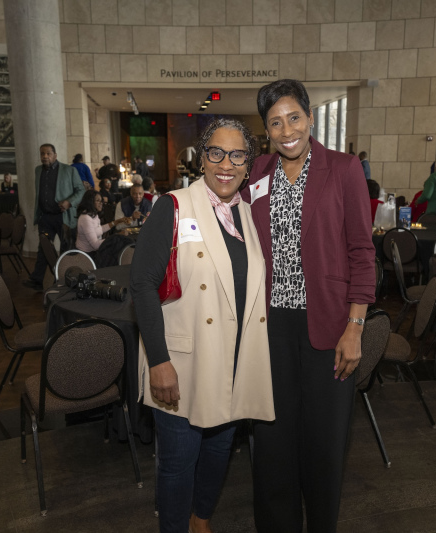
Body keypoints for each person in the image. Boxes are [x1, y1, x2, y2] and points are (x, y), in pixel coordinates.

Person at [244, 79, 376, 533]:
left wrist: (355, 326)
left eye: (294, 118)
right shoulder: (257, 172)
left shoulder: (343, 168)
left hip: (329, 324)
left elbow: (362, 252)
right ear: (266, 130)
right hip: (269, 328)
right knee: (272, 440)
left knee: (324, 443)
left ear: (311, 117)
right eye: (275, 123)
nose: (287, 131)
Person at [131, 118, 274, 533]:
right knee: (178, 463)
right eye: (216, 153)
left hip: (231, 362)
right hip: (181, 363)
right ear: (202, 159)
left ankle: (201, 521)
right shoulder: (173, 206)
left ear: (248, 164)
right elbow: (141, 284)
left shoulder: (248, 215)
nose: (226, 164)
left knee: (218, 452)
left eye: (237, 155)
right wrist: (158, 361)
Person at [22, 143, 85, 290]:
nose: (45, 156)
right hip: (45, 217)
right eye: (42, 154)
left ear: (55, 155)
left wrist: (69, 202)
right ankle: (37, 280)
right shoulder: (38, 170)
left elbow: (81, 190)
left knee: (65, 250)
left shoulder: (69, 170)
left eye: (48, 153)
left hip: (63, 217)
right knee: (43, 248)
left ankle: (63, 280)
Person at [75, 190, 130, 259]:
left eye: (101, 201)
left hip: (94, 252)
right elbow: (95, 245)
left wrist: (118, 221)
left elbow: (100, 229)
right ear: (90, 202)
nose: (101, 203)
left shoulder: (93, 214)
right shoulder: (85, 218)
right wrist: (117, 235)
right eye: (98, 201)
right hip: (86, 256)